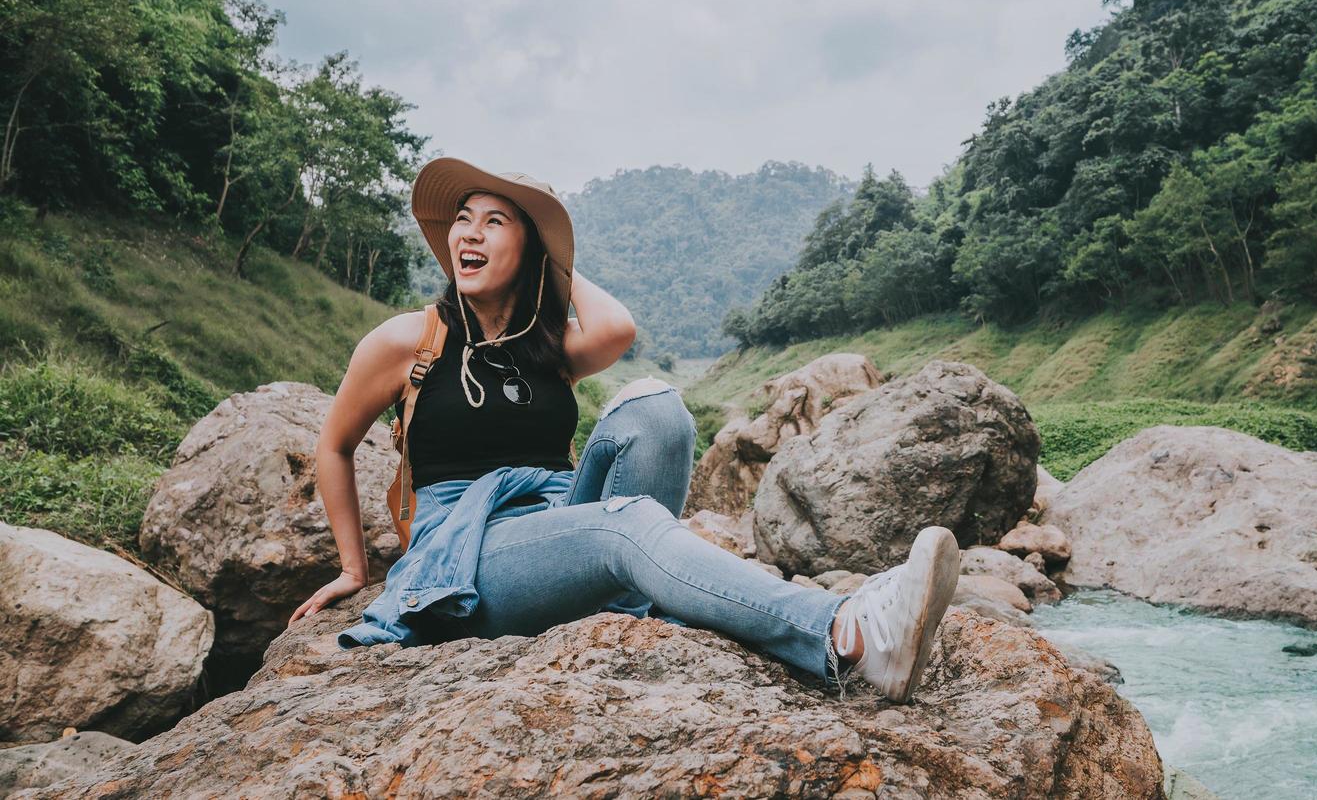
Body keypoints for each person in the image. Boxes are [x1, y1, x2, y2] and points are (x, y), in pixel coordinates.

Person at [289, 157, 960, 703]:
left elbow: (619, 329)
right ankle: (843, 633)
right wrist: (354, 566)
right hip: (468, 555)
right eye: (462, 221)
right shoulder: (408, 340)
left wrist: (553, 259)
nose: (467, 234)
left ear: (528, 250)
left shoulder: (546, 344)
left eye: (494, 222)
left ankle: (640, 593)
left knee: (658, 407)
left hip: (558, 520)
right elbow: (335, 445)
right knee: (625, 522)